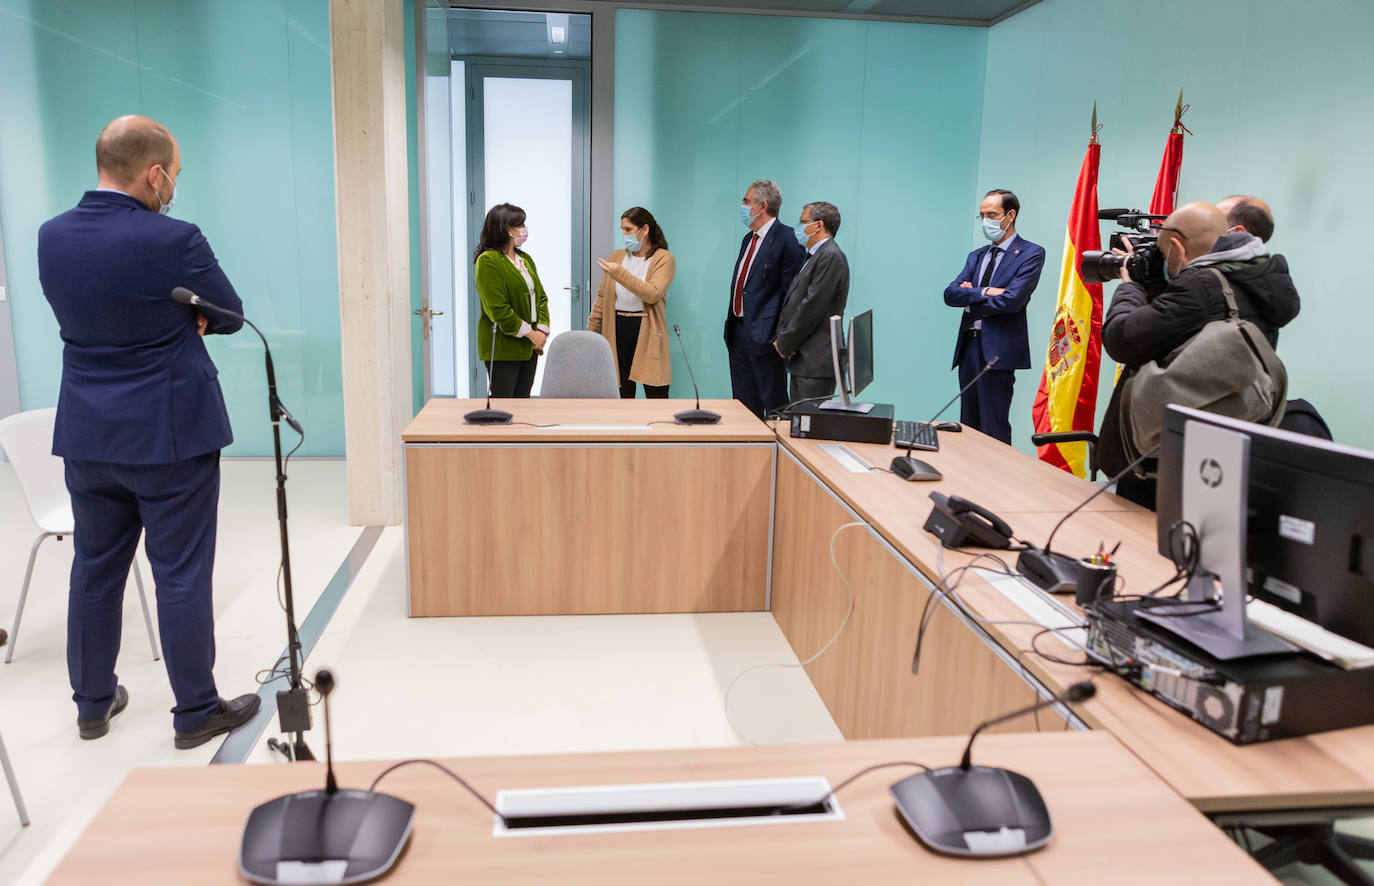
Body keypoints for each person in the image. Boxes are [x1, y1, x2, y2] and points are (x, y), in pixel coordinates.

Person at [36, 115, 261, 748]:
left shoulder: (51, 236)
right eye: (175, 176)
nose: (174, 188)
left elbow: (88, 312)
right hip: (169, 433)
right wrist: (190, 321)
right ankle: (195, 713)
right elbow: (230, 314)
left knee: (94, 567)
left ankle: (92, 703)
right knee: (181, 572)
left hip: (87, 433)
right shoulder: (175, 238)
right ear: (154, 173)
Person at [1099, 201, 1301, 506]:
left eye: (1167, 255)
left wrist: (1132, 286)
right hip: (1219, 450)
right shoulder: (1260, 279)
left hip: (1163, 456)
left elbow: (1122, 338)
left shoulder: (1201, 286)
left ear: (1179, 249)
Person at [943, 189, 1045, 444]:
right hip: (969, 347)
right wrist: (985, 292)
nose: (986, 221)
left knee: (993, 424)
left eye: (992, 215)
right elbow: (950, 295)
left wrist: (970, 300)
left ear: (1010, 216)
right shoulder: (976, 256)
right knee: (969, 423)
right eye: (982, 216)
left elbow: (1012, 301)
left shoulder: (1031, 253)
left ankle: (997, 481)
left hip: (998, 351)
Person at [724, 179, 805, 417]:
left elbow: (793, 294)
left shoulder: (788, 239)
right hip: (738, 333)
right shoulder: (747, 240)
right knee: (743, 407)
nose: (742, 205)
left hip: (767, 338)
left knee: (775, 407)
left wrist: (781, 338)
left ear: (762, 206)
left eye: (746, 201)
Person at [588, 207, 675, 398]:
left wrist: (619, 273)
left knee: (656, 393)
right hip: (617, 327)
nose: (624, 234)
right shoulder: (617, 256)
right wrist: (590, 331)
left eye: (628, 229)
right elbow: (602, 297)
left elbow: (652, 293)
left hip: (646, 328)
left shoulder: (663, 258)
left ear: (644, 230)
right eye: (622, 229)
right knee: (620, 392)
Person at [773, 202, 849, 403]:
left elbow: (811, 307)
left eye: (803, 221)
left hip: (816, 361)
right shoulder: (816, 255)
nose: (798, 226)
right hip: (805, 359)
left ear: (818, 226)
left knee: (810, 425)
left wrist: (785, 342)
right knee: (800, 423)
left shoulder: (831, 256)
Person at [473, 204, 551, 398]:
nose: (524, 229)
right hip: (503, 346)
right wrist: (530, 334)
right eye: (521, 224)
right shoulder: (488, 260)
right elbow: (498, 310)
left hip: (529, 347)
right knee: (504, 402)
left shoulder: (525, 259)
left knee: (523, 400)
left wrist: (541, 330)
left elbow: (540, 296)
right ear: (508, 229)